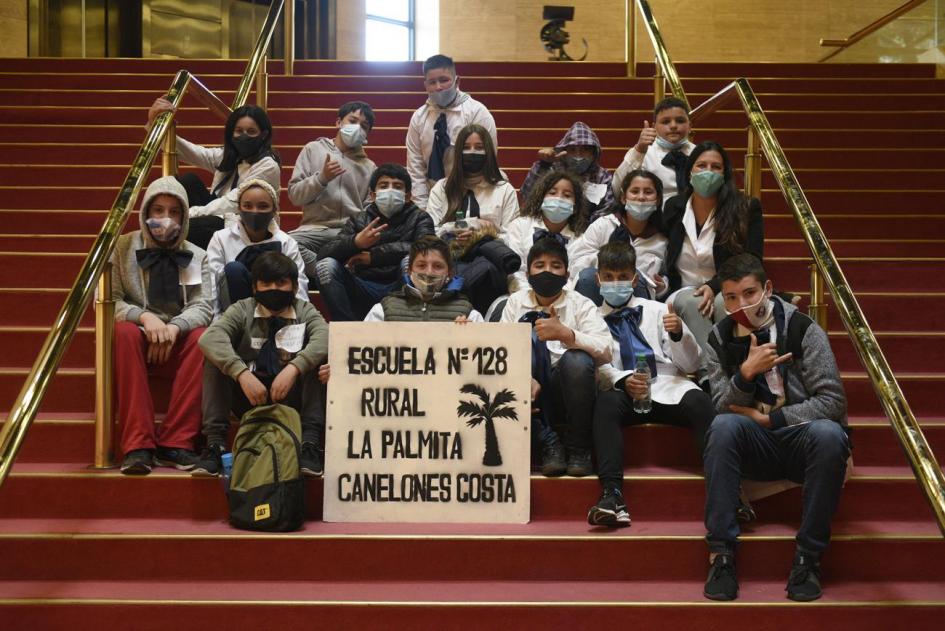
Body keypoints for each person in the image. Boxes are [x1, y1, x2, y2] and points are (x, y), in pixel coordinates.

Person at [701, 253, 849, 602]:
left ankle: (808, 558)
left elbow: (833, 401)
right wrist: (745, 374)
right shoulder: (719, 338)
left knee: (830, 433)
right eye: (732, 297)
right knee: (722, 428)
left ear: (767, 289)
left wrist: (775, 419)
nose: (742, 305)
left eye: (750, 293)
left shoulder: (802, 328)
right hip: (754, 446)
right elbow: (721, 404)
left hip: (800, 439)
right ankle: (721, 554)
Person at [586, 241, 713, 527]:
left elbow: (691, 365)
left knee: (701, 402)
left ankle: (729, 490)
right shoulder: (590, 317)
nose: (615, 283)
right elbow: (597, 363)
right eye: (608, 277)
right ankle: (612, 495)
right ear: (598, 279)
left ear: (634, 278)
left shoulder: (658, 310)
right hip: (624, 391)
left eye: (622, 277)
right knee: (605, 404)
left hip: (667, 385)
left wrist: (680, 334)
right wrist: (623, 380)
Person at [195, 251, 329, 478]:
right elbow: (209, 338)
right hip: (248, 394)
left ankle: (310, 445)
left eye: (281, 282)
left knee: (318, 360)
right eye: (265, 283)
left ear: (295, 287)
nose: (273, 289)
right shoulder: (242, 309)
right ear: (255, 288)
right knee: (215, 359)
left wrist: (294, 367)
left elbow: (325, 337)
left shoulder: (304, 310)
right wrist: (241, 373)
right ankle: (215, 445)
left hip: (290, 396)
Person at [112, 176, 213, 475]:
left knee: (204, 336)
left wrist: (174, 328)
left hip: (176, 338)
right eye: (157, 210)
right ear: (145, 213)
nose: (165, 219)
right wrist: (145, 318)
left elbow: (203, 306)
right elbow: (109, 301)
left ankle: (176, 442)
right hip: (138, 337)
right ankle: (137, 444)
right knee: (123, 332)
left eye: (173, 211)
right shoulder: (121, 246)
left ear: (183, 215)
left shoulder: (197, 255)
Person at [499, 238, 612, 477]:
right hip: (528, 389)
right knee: (512, 366)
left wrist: (567, 334)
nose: (547, 271)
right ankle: (549, 444)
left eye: (555, 265)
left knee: (578, 361)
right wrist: (522, 379)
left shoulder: (581, 304)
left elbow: (605, 349)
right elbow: (502, 350)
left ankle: (579, 448)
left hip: (568, 390)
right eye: (539, 265)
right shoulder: (514, 303)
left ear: (567, 274)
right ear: (528, 273)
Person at [661, 141, 763, 365]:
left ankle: (738, 368)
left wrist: (715, 285)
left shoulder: (746, 207)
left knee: (721, 303)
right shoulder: (673, 207)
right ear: (689, 171)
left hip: (728, 285)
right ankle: (712, 376)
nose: (708, 171)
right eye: (701, 165)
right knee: (692, 303)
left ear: (725, 173)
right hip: (684, 288)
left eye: (716, 167)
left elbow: (752, 259)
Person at [147, 98, 282, 250]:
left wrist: (185, 215)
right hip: (218, 216)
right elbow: (193, 153)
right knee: (188, 181)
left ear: (263, 135)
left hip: (245, 223)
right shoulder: (230, 156)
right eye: (238, 131)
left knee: (186, 229)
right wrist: (159, 128)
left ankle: (166, 244)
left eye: (251, 132)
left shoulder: (268, 165)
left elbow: (233, 202)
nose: (243, 136)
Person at [316, 163, 435, 321]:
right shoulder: (358, 219)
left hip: (400, 286)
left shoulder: (420, 218)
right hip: (363, 286)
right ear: (372, 195)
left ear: (407, 196)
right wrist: (356, 243)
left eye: (397, 186)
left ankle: (410, 324)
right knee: (325, 267)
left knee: (411, 262)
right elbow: (324, 253)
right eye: (384, 186)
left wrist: (374, 256)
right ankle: (346, 330)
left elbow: (426, 251)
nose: (390, 190)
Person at [427, 124, 521, 313]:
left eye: (479, 147)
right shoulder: (441, 188)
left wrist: (481, 235)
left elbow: (514, 236)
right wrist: (456, 233)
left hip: (488, 259)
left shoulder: (504, 190)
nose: (472, 152)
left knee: (486, 270)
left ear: (488, 151)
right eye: (466, 147)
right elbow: (431, 230)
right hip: (448, 256)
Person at [287, 101, 377, 276]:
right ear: (338, 122)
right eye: (352, 121)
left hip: (349, 234)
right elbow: (295, 196)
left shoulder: (370, 167)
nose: (357, 127)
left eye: (364, 126)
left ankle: (330, 271)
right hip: (314, 230)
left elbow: (369, 208)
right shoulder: (313, 149)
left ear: (367, 134)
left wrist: (357, 234)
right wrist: (321, 179)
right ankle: (333, 272)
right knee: (286, 243)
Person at [406, 54, 498, 210]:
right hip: (431, 195)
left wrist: (472, 202)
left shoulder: (477, 112)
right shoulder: (419, 117)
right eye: (432, 82)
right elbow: (416, 167)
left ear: (457, 81)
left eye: (444, 80)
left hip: (472, 193)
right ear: (425, 85)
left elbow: (488, 158)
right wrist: (422, 208)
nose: (438, 87)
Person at [206, 179, 308, 315]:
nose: (255, 212)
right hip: (234, 312)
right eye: (247, 206)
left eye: (263, 206)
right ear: (238, 209)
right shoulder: (220, 238)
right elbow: (212, 284)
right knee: (234, 269)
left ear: (274, 210)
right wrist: (217, 322)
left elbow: (298, 284)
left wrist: (299, 320)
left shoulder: (286, 242)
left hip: (276, 309)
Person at [570, 169, 669, 304]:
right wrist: (610, 260)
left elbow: (666, 276)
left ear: (658, 200)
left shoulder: (662, 239)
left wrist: (663, 286)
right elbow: (576, 263)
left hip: (637, 301)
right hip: (597, 294)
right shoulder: (603, 225)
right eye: (634, 191)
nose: (641, 197)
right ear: (623, 198)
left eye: (648, 192)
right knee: (587, 276)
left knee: (638, 277)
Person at [502, 171, 589, 291]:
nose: (559, 198)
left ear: (575, 207)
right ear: (541, 199)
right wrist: (531, 298)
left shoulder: (581, 239)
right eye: (552, 193)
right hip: (521, 296)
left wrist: (553, 299)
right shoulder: (519, 227)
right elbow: (515, 272)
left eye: (567, 195)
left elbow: (574, 277)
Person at [520, 121, 614, 221]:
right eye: (572, 149)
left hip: (590, 230)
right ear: (564, 151)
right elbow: (528, 195)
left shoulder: (602, 176)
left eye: (585, 149)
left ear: (594, 153)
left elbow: (607, 209)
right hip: (549, 226)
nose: (578, 155)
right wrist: (543, 165)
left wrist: (583, 229)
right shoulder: (552, 169)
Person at [613, 97, 695, 206]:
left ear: (690, 126)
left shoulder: (699, 153)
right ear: (654, 127)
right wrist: (639, 150)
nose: (673, 126)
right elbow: (617, 188)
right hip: (655, 217)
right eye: (666, 122)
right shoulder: (643, 152)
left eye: (680, 121)